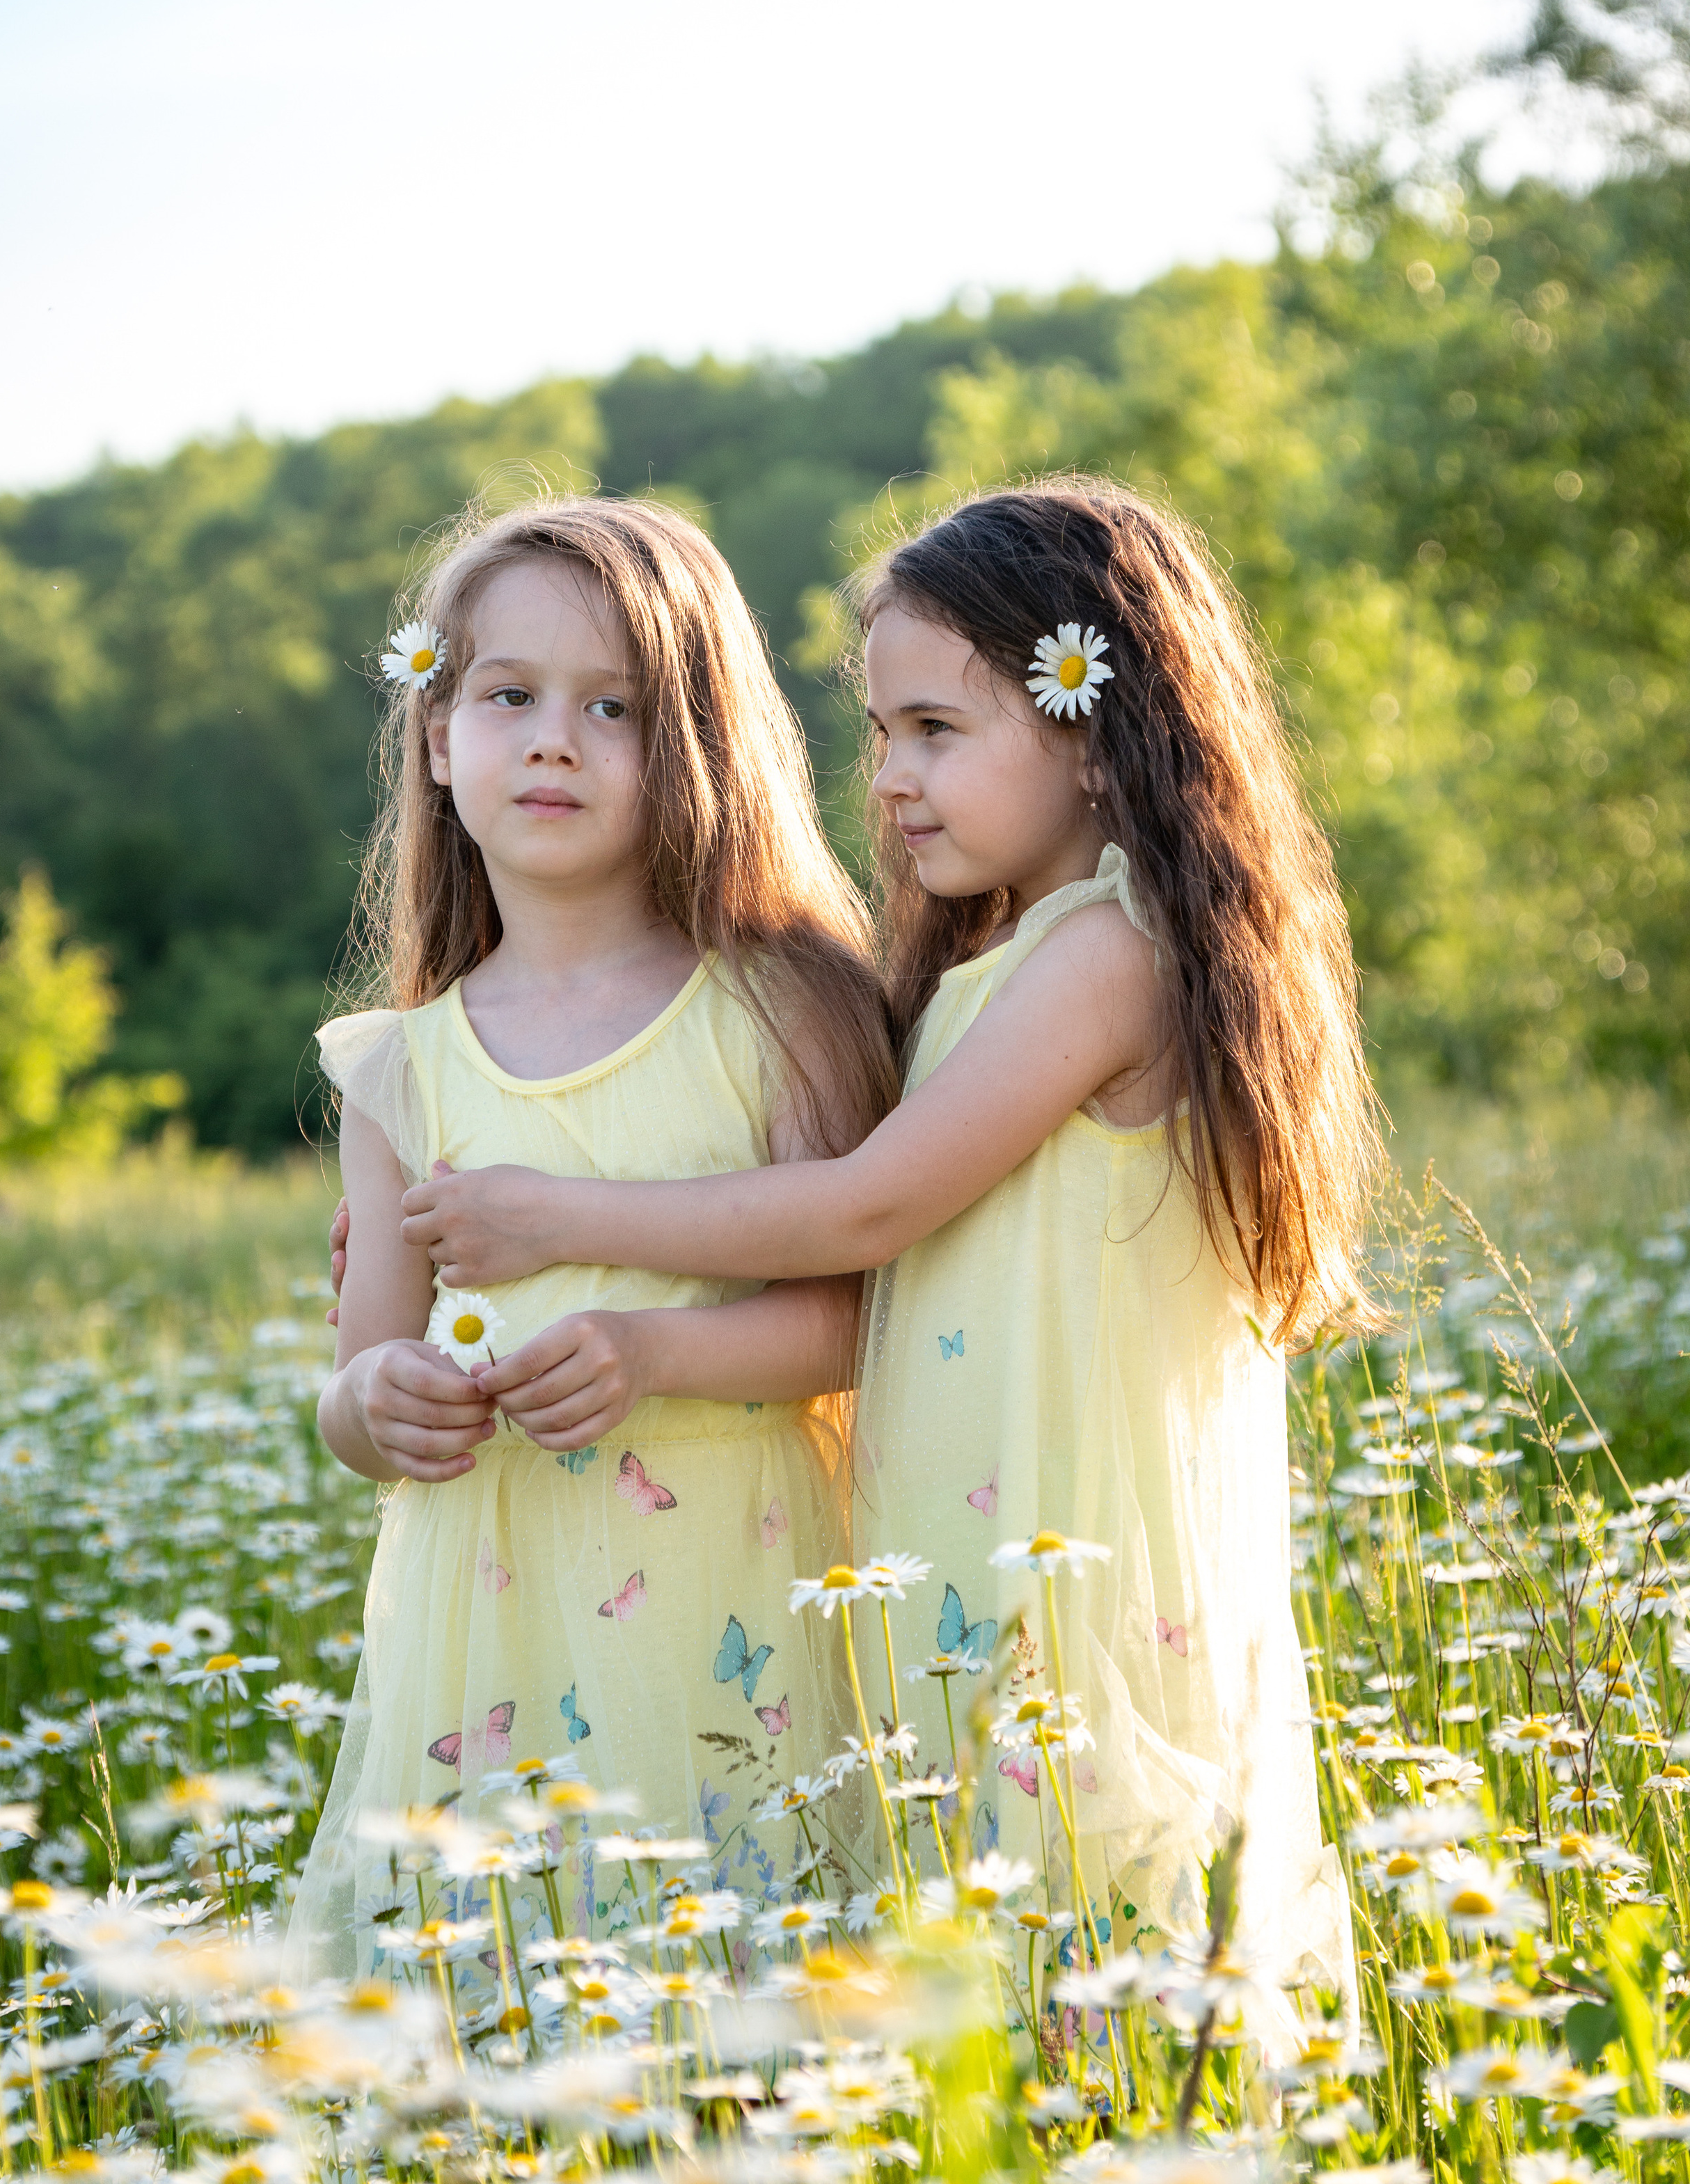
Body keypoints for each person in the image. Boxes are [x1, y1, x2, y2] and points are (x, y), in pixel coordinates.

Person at [373, 478, 1374, 1996]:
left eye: (935, 732)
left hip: (1066, 1546)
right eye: (883, 733)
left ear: (1091, 720)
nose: (891, 781)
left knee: (1097, 1946)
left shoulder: (1107, 954)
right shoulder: (1001, 963)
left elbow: (866, 1209)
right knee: (984, 1961)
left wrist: (552, 1214)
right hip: (963, 1542)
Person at [288, 494, 896, 1980]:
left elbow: (853, 1315)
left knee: (743, 1993)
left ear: (691, 743)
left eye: (609, 707)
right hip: (484, 1608)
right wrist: (382, 1402)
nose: (550, 739)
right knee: (506, 1996)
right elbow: (357, 1381)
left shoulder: (777, 1009)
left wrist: (649, 1348)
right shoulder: (400, 1069)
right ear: (438, 737)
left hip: (726, 1585)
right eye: (508, 697)